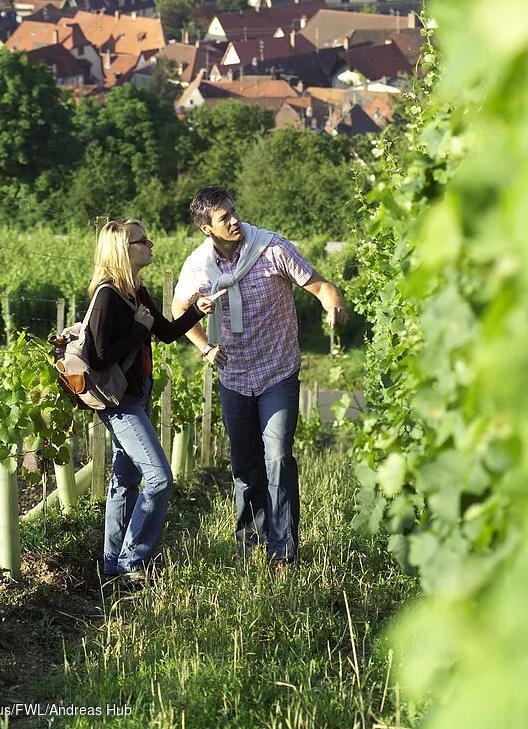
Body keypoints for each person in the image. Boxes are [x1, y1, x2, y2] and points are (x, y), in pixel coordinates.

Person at [172, 187, 347, 566]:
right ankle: (251, 544)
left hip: (277, 371)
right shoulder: (199, 267)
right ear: (207, 228)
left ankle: (283, 551)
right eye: (224, 218)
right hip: (234, 375)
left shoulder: (272, 249)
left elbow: (320, 286)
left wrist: (333, 305)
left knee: (278, 455)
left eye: (234, 212)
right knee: (245, 464)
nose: (234, 220)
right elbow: (179, 307)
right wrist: (204, 345)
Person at [87, 217, 223, 585]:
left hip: (139, 393)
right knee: (160, 478)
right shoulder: (106, 296)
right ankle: (134, 561)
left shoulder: (137, 292)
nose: (150, 245)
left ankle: (112, 565)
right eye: (141, 241)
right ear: (121, 251)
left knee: (124, 479)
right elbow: (99, 357)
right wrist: (137, 329)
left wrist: (197, 310)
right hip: (120, 402)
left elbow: (164, 333)